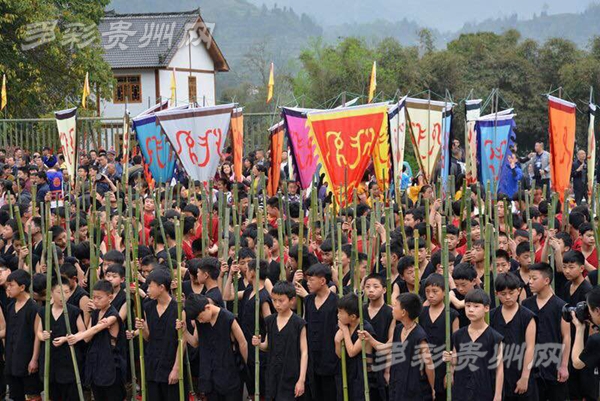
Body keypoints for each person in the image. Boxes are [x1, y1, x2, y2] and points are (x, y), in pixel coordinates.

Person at [360, 292, 435, 400]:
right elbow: (385, 349)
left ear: (403, 312)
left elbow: (429, 365)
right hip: (397, 382)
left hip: (414, 386)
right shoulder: (398, 329)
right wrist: (369, 338)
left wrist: (432, 388)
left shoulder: (419, 336)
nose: (392, 309)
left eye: (395, 306)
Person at [67, 279, 127, 401]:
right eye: (93, 297)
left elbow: (95, 330)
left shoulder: (113, 315)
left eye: (99, 298)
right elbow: (88, 337)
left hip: (110, 364)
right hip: (96, 363)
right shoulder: (96, 313)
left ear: (110, 298)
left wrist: (78, 336)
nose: (95, 301)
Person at [180, 294, 247, 401]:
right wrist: (184, 331)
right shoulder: (200, 321)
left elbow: (243, 343)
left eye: (200, 318)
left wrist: (244, 367)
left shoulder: (228, 318)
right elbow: (195, 343)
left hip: (229, 372)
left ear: (207, 307)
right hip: (209, 375)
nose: (200, 321)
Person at [443, 289, 504, 401]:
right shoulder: (458, 335)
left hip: (484, 389)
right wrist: (450, 360)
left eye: (476, 306)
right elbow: (456, 361)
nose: (471, 310)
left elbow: (499, 368)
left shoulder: (495, 337)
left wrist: (498, 395)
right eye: (468, 306)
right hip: (461, 389)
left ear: (486, 308)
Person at [131, 268, 182, 401]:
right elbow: (149, 337)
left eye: (150, 286)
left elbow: (182, 342)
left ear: (161, 288)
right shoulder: (148, 306)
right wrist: (142, 328)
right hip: (153, 361)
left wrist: (176, 369)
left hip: (170, 361)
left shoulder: (178, 309)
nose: (147, 289)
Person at [251, 281, 308, 401]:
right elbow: (267, 346)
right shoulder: (270, 321)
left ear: (292, 300)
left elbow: (304, 352)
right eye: (274, 300)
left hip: (291, 374)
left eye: (281, 301)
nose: (277, 304)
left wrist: (301, 379)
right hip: (272, 373)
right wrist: (258, 344)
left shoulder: (299, 323)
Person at [521, 263, 570, 401]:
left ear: (547, 280)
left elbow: (566, 336)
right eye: (529, 278)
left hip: (553, 364)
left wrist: (564, 365)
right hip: (532, 365)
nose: (529, 282)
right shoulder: (526, 304)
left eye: (534, 278)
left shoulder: (561, 306)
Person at [35, 275, 85, 401]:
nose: (63, 295)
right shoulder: (44, 311)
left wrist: (68, 338)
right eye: (59, 292)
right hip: (50, 360)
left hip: (69, 360)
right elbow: (39, 332)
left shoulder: (74, 311)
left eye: (67, 292)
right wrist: (43, 336)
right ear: (51, 293)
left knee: (71, 394)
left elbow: (83, 333)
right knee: (53, 393)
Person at [490, 272, 537, 401]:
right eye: (503, 294)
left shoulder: (527, 317)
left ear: (519, 291)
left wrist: (525, 377)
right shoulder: (492, 315)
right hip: (498, 372)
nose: (508, 297)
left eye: (511, 293)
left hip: (520, 369)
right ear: (496, 294)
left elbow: (530, 348)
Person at [560, 250, 597, 401]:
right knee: (572, 384)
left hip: (584, 341)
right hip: (570, 337)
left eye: (571, 267)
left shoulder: (587, 291)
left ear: (582, 268)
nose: (567, 271)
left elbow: (591, 323)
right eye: (564, 267)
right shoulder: (566, 285)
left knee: (585, 383)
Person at [419, 273, 459, 400]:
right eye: (427, 291)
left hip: (444, 364)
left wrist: (451, 371)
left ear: (444, 292)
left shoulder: (452, 315)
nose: (430, 295)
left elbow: (455, 344)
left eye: (435, 291)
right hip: (424, 364)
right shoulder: (421, 313)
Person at [4, 269, 41, 401]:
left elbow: (38, 335)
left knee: (32, 394)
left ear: (22, 287)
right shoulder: (10, 306)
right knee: (15, 394)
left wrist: (34, 359)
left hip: (27, 359)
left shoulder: (34, 308)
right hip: (12, 358)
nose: (8, 288)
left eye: (11, 285)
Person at [303, 264, 338, 401]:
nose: (308, 283)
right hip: (312, 355)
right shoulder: (308, 300)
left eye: (311, 280)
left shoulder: (336, 301)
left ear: (323, 281)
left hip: (330, 356)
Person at [334, 292, 374, 400]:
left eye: (341, 313)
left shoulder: (365, 329)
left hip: (360, 375)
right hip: (344, 372)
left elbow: (351, 352)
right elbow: (339, 355)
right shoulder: (343, 325)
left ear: (353, 316)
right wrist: (337, 341)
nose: (338, 315)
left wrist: (345, 331)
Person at [362, 273, 393, 401]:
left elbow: (392, 343)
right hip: (363, 364)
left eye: (375, 286)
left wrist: (388, 370)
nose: (371, 290)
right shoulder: (360, 310)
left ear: (384, 290)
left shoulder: (390, 312)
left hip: (382, 363)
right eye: (367, 286)